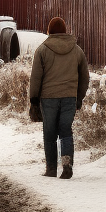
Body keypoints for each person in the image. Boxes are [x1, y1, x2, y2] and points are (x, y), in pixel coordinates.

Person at [28, 16, 89, 179]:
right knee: (65, 130)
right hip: (69, 97)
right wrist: (79, 97)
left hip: (48, 98)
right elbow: (85, 77)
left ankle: (51, 169)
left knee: (49, 132)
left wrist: (34, 99)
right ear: (64, 30)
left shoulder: (42, 49)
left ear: (50, 30)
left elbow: (36, 77)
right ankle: (67, 166)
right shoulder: (77, 50)